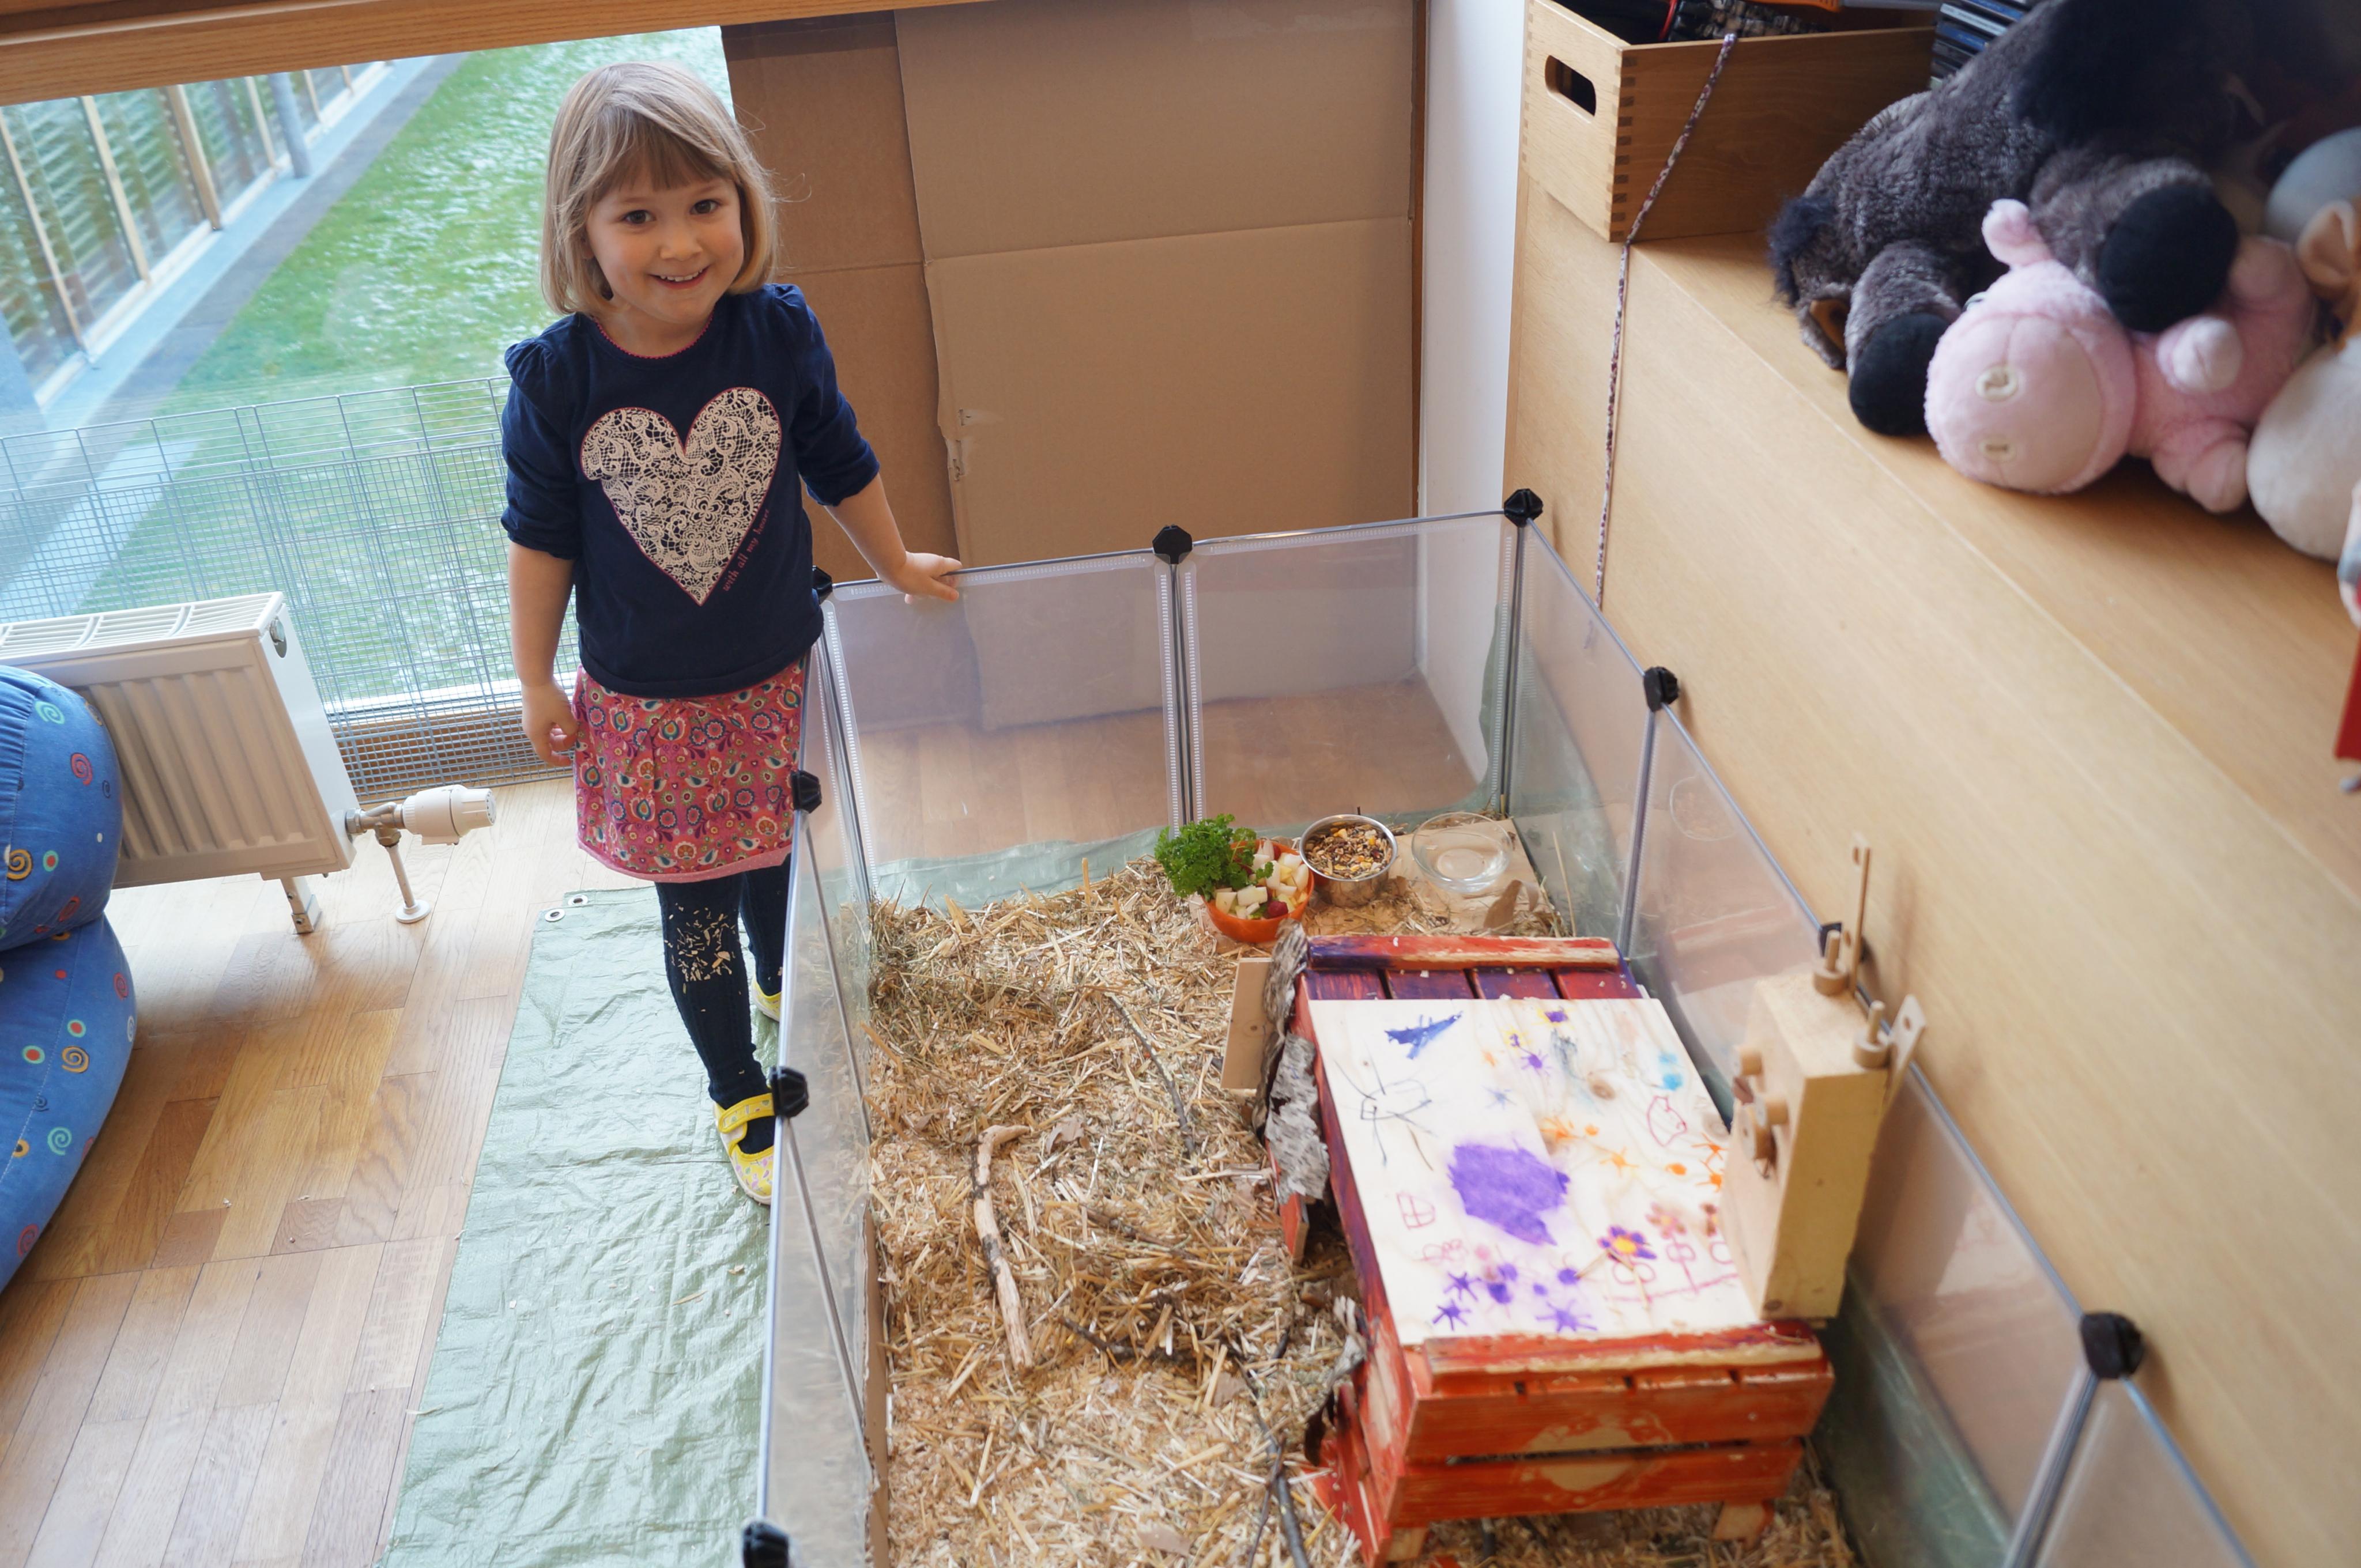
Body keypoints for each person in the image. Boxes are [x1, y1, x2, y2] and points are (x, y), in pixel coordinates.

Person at [502, 61, 958, 1204]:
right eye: (637, 216)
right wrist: (535, 678)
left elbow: (839, 457)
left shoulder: (774, 332)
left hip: (774, 672)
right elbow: (540, 541)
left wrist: (897, 562)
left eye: (705, 203)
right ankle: (736, 1087)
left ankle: (779, 978)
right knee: (695, 905)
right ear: (581, 230)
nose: (680, 242)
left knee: (773, 855)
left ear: (743, 204)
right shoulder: (558, 381)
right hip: (649, 707)